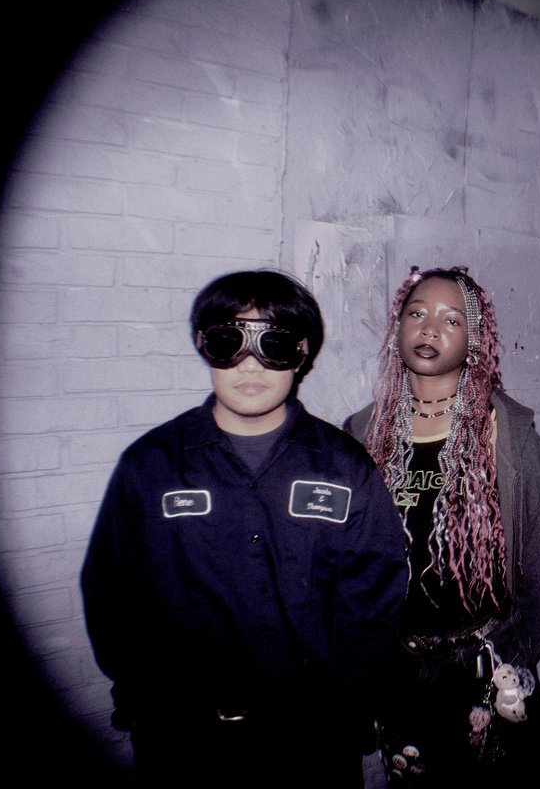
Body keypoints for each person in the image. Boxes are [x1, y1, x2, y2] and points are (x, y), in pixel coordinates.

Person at [80, 270, 408, 788]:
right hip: (183, 745)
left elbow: (375, 601)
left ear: (301, 353)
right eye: (228, 341)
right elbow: (113, 595)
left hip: (311, 747)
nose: (250, 364)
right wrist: (144, 703)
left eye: (272, 344)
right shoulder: (150, 467)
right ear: (202, 344)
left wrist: (351, 707)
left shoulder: (345, 468)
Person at [344, 266, 540, 786]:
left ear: (475, 341)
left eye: (451, 320)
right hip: (401, 673)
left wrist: (517, 654)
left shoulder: (506, 436)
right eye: (417, 314)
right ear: (397, 328)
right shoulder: (362, 434)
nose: (429, 328)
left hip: (488, 669)